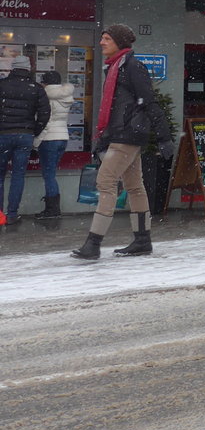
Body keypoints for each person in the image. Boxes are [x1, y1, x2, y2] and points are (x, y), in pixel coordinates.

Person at [71, 25, 174, 261]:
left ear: (119, 42)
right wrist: (103, 138)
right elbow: (115, 109)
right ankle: (142, 240)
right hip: (121, 134)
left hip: (128, 135)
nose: (102, 42)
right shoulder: (115, 68)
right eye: (102, 38)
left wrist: (164, 137)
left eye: (107, 39)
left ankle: (93, 243)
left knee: (106, 181)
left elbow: (149, 102)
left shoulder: (133, 67)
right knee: (135, 186)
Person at [0, 55, 50, 224]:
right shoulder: (36, 88)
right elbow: (45, 113)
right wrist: (34, 130)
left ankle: (0, 215)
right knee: (18, 175)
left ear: (12, 68)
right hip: (25, 136)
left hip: (2, 135)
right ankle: (12, 214)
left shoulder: (2, 85)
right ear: (28, 69)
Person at [33, 70, 73, 219]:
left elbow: (46, 122)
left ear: (46, 83)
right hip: (63, 137)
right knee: (51, 173)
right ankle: (53, 208)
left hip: (49, 138)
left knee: (48, 175)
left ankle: (52, 209)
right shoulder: (65, 96)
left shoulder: (46, 97)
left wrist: (36, 140)